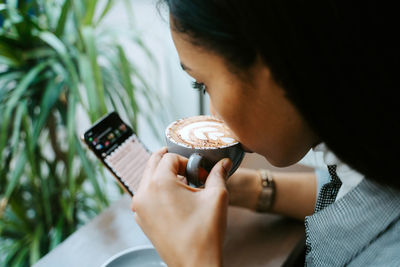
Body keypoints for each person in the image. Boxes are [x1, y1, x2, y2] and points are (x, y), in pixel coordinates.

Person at [131, 1, 400, 266]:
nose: (213, 115)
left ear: (278, 63)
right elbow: (353, 195)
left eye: (202, 84)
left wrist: (192, 259)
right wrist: (240, 189)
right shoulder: (370, 146)